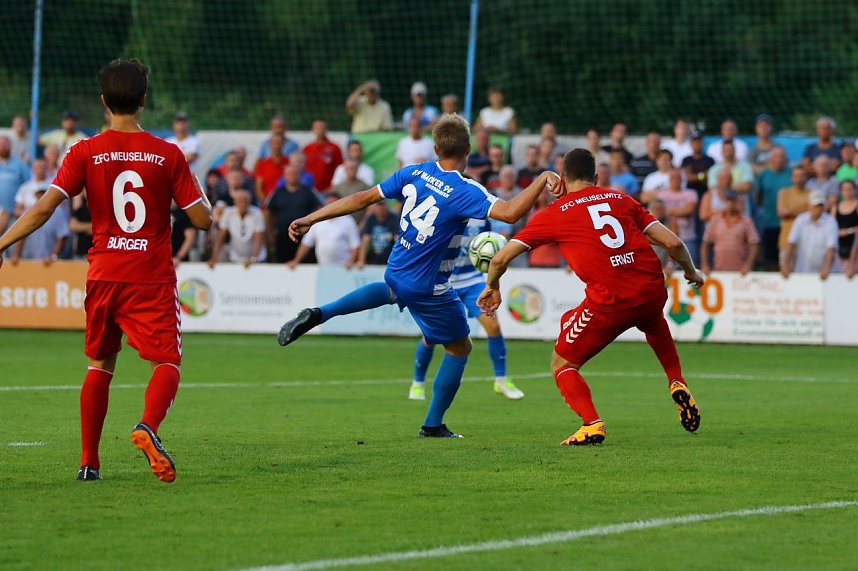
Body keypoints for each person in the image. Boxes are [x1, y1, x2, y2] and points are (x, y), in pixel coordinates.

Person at [277, 114, 559, 438]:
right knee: (460, 348)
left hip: (398, 267)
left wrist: (312, 218)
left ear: (436, 148)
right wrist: (542, 177)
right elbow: (510, 213)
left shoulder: (414, 172)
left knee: (390, 290)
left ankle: (319, 313)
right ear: (468, 149)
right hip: (430, 286)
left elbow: (361, 198)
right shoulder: (465, 190)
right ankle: (433, 424)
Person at [0, 59, 212, 482]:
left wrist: (2, 243)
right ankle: (147, 426)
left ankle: (88, 463)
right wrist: (192, 192)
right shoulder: (167, 153)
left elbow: (44, 208)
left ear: (103, 102)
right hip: (149, 275)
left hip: (103, 273)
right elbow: (202, 220)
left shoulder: (84, 151)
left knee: (100, 363)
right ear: (144, 101)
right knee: (166, 361)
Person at [477, 148, 704, 445]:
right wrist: (691, 272)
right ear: (595, 178)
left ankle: (591, 424)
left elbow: (499, 259)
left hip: (610, 303)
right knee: (649, 320)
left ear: (562, 178)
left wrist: (492, 286)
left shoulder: (554, 214)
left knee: (562, 364)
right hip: (650, 289)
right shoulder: (621, 199)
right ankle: (676, 379)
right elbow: (673, 243)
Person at [409, 215, 526, 403]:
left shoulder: (481, 218)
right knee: (430, 337)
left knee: (493, 327)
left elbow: (491, 242)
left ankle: (501, 380)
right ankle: (418, 383)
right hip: (444, 283)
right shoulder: (444, 214)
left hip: (472, 281)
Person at [265, 163, 321, 263]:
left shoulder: (308, 191)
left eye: (295, 173)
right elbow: (268, 213)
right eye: (289, 174)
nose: (292, 176)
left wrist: (315, 229)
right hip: (283, 237)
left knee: (306, 263)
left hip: (305, 237)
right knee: (282, 264)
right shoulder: (277, 192)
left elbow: (319, 208)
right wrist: (270, 234)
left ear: (300, 175)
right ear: (284, 176)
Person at [288, 193, 360, 268]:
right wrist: (296, 261)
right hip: (322, 267)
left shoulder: (348, 221)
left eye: (334, 204)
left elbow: (355, 244)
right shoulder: (316, 221)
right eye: (328, 204)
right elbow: (306, 244)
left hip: (344, 268)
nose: (331, 206)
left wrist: (351, 262)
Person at [780, 191, 837, 279]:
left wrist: (826, 268)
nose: (818, 208)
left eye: (820, 205)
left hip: (824, 273)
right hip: (803, 270)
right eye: (815, 205)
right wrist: (785, 265)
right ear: (809, 205)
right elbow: (791, 243)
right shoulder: (800, 220)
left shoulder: (830, 221)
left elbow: (831, 247)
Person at [700, 191, 760, 275]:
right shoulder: (715, 220)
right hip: (719, 270)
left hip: (740, 272)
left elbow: (754, 244)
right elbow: (705, 243)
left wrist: (748, 265)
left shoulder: (746, 221)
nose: (730, 204)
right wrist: (704, 265)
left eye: (733, 201)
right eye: (728, 200)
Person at [8, 187, 69, 264]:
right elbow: (21, 236)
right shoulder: (29, 211)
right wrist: (17, 254)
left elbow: (62, 236)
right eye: (39, 194)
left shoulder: (58, 213)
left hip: (49, 263)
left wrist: (53, 256)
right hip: (29, 261)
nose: (41, 196)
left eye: (44, 193)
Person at [755, 146, 791, 270]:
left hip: (788, 223)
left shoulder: (791, 173)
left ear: (785, 159)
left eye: (781, 156)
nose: (779, 159)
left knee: (787, 257)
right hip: (769, 221)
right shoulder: (763, 174)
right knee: (770, 257)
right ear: (770, 159)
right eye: (776, 156)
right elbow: (758, 196)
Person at [209, 190, 266, 268]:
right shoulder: (228, 213)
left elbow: (259, 239)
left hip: (256, 258)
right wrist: (214, 258)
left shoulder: (257, 213)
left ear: (249, 202)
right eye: (239, 201)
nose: (243, 203)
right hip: (236, 257)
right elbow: (221, 237)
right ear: (235, 202)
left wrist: (253, 258)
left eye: (245, 201)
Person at [776, 166, 810, 262]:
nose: (799, 179)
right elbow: (781, 212)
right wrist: (804, 210)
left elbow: (813, 213)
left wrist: (791, 210)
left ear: (806, 177)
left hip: (806, 242)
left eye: (802, 176)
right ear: (791, 178)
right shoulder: (783, 192)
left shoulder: (811, 193)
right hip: (786, 240)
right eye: (796, 176)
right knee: (786, 268)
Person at [302, 119, 343, 192]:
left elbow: (340, 169)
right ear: (312, 129)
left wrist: (332, 188)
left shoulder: (334, 148)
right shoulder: (307, 149)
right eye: (317, 127)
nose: (320, 130)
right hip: (309, 191)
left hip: (328, 191)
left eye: (322, 127)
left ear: (326, 129)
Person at [0, 135, 31, 230]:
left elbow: (28, 185)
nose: (3, 147)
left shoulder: (19, 164)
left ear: (10, 146)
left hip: (13, 214)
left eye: (5, 144)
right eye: (1, 144)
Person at [357, 201, 398, 267]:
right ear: (374, 209)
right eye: (379, 209)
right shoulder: (370, 218)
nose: (381, 211)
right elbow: (365, 239)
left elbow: (397, 238)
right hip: (373, 257)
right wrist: (361, 260)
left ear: (387, 208)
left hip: (389, 257)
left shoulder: (394, 218)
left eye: (382, 209)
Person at [253, 132, 290, 204]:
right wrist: (266, 204)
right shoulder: (262, 164)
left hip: (286, 204)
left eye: (279, 142)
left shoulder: (289, 162)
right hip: (268, 203)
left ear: (284, 144)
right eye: (274, 142)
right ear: (270, 144)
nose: (277, 145)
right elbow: (258, 188)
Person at [832, 180, 858, 270]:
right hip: (839, 246)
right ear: (841, 191)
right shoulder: (835, 207)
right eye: (845, 189)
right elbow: (831, 227)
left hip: (855, 245)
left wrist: (848, 231)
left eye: (850, 189)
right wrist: (837, 232)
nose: (847, 191)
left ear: (855, 190)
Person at [681, 131, 715, 197]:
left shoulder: (710, 160)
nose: (697, 143)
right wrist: (703, 175)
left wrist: (694, 176)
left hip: (706, 193)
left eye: (699, 141)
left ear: (702, 143)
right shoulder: (686, 160)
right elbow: (688, 178)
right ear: (691, 144)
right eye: (694, 141)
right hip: (689, 194)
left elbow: (711, 177)